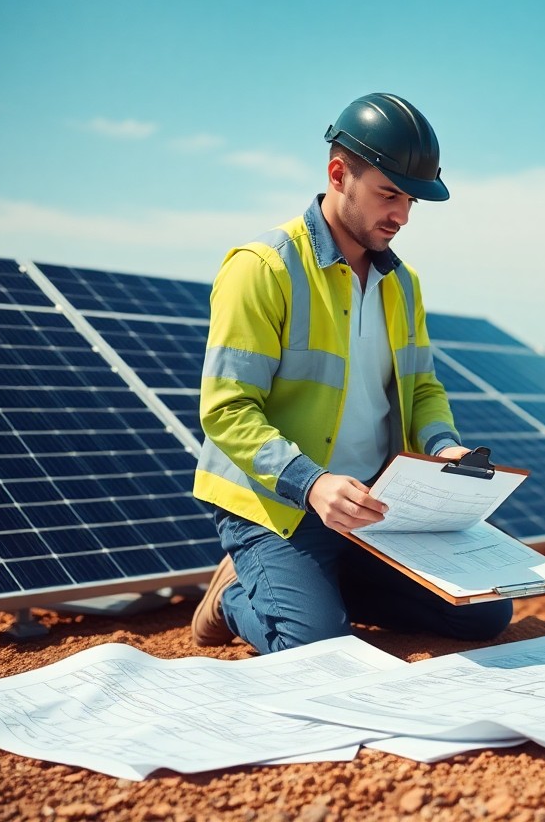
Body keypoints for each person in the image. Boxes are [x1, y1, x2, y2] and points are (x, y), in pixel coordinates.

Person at [190, 93, 513, 653]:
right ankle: (234, 595)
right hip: (282, 505)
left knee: (484, 613)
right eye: (389, 194)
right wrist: (311, 483)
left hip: (376, 507)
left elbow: (423, 388)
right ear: (339, 174)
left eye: (411, 200)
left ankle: (319, 588)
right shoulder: (263, 269)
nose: (403, 216)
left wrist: (444, 448)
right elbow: (227, 409)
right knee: (316, 647)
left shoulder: (402, 283)